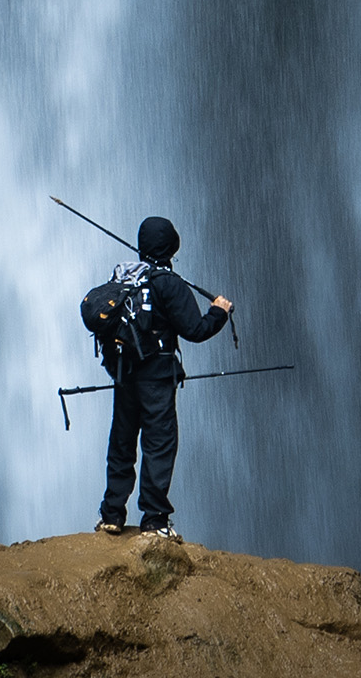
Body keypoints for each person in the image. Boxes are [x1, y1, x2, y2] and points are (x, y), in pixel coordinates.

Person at [96, 215, 232, 540]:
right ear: (172, 246)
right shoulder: (170, 284)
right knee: (159, 444)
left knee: (122, 443)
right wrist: (219, 312)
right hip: (157, 379)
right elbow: (195, 330)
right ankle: (155, 520)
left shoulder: (124, 277)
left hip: (124, 375)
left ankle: (111, 515)